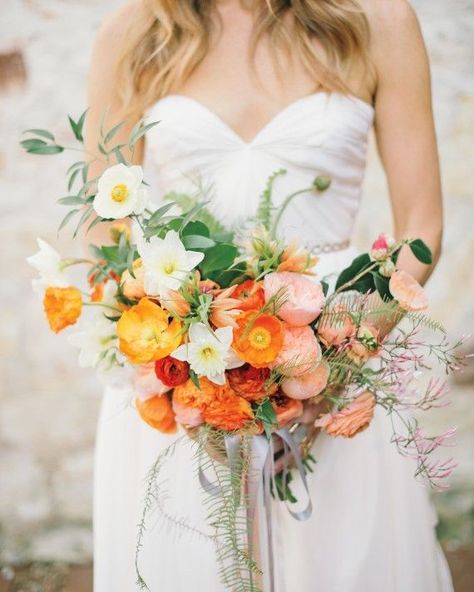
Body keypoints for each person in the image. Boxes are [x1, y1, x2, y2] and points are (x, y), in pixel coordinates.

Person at [86, 1, 452, 590]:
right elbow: (105, 228)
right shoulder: (137, 29)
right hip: (183, 369)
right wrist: (193, 369)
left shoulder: (378, 19)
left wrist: (329, 363)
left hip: (343, 357)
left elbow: (421, 229)